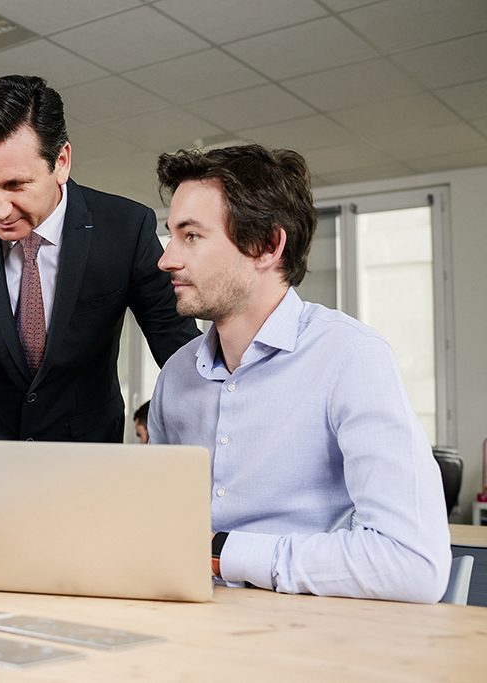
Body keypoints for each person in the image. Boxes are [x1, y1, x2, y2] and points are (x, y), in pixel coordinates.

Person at [0, 76, 199, 554]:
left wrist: (205, 470)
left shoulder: (124, 227)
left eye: (16, 184)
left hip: (82, 458)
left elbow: (178, 349)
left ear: (62, 161)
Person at [149, 144, 451, 603]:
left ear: (268, 246)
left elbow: (413, 563)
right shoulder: (177, 376)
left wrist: (224, 553)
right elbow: (158, 535)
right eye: (170, 235)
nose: (166, 259)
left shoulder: (350, 358)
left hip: (310, 641)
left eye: (191, 236)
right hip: (188, 629)